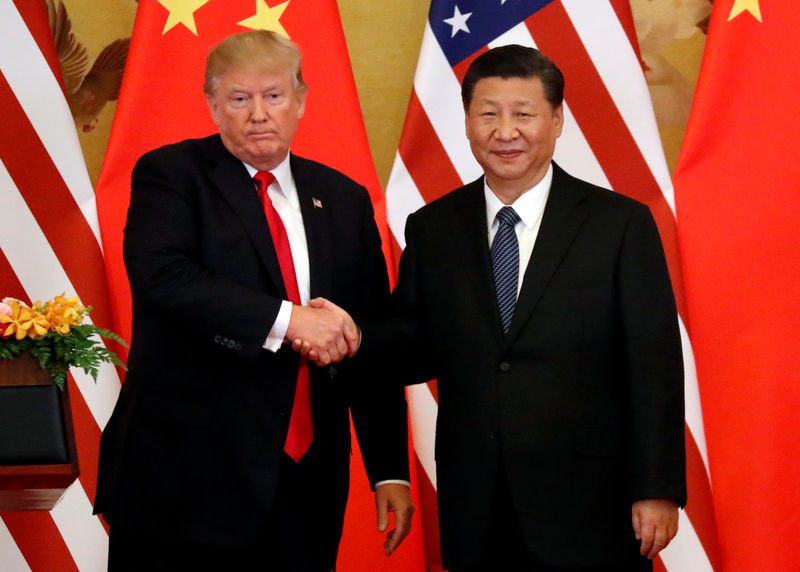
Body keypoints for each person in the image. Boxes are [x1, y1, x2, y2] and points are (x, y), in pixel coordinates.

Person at [305, 45, 686, 571]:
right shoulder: (433, 227)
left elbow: (654, 364)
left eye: (524, 114)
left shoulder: (619, 225)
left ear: (556, 122)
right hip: (476, 503)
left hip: (590, 504)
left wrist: (658, 488)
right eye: (488, 113)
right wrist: (356, 335)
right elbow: (416, 346)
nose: (505, 131)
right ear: (466, 122)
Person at [94, 30, 413, 572]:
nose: (258, 114)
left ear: (301, 100)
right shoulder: (170, 175)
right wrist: (291, 323)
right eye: (240, 99)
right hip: (185, 481)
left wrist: (389, 469)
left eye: (273, 95)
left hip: (307, 483)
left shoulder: (344, 199)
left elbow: (367, 337)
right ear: (214, 105)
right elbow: (163, 278)